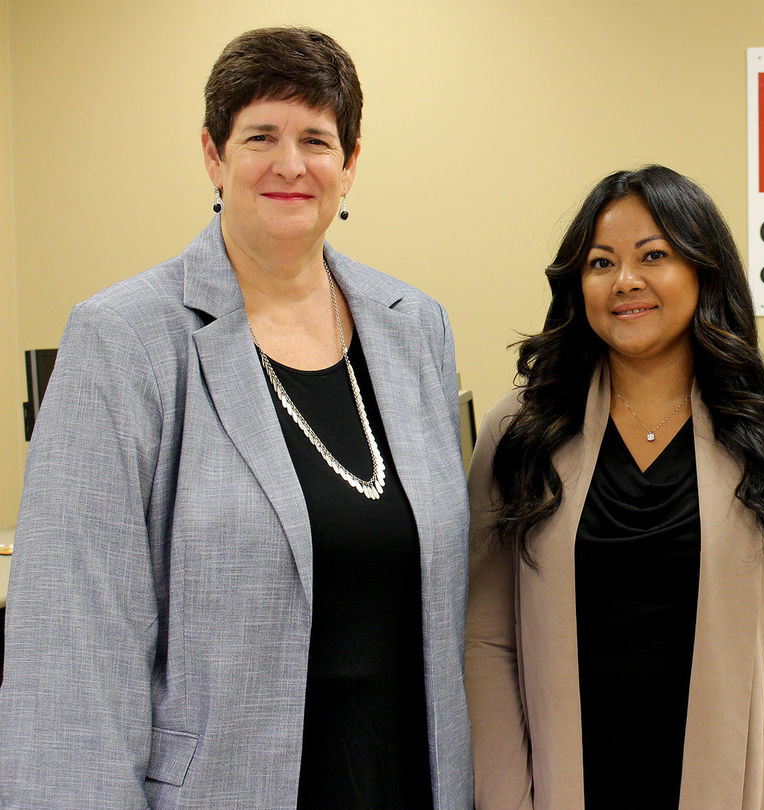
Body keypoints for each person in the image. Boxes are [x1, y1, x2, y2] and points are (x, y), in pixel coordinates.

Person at [0, 27, 471, 808]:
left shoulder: (414, 326)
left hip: (407, 779)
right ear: (214, 156)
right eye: (261, 136)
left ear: (349, 165)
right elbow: (73, 651)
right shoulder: (124, 339)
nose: (291, 164)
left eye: (317, 139)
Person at [465, 165, 764, 809]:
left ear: (703, 272)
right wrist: (504, 796)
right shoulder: (521, 434)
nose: (626, 281)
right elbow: (487, 642)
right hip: (570, 782)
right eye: (601, 263)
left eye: (653, 255)